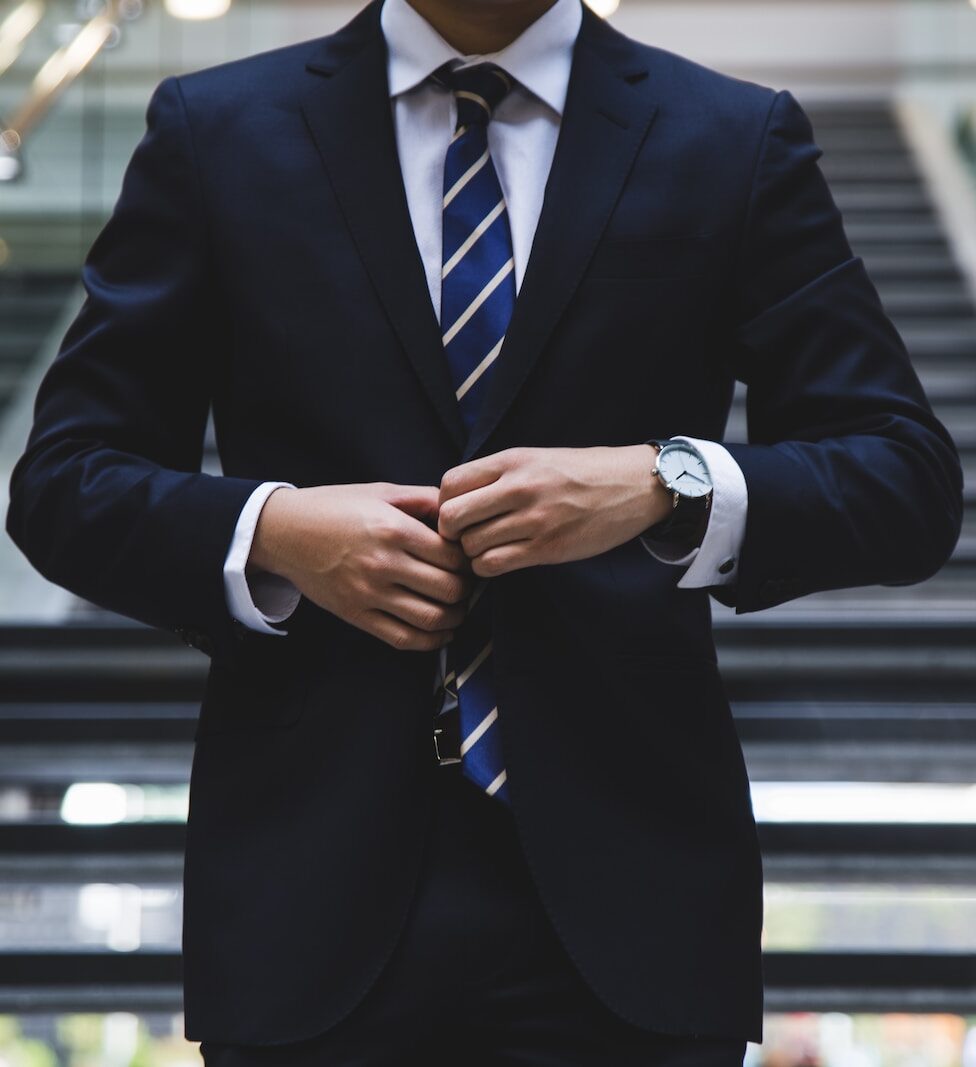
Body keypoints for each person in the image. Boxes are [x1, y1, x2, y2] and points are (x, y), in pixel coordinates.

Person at [6, 0, 963, 1063]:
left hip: (633, 902)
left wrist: (664, 480)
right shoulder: (217, 128)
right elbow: (62, 482)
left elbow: (902, 477)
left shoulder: (731, 135)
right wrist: (272, 528)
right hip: (306, 892)